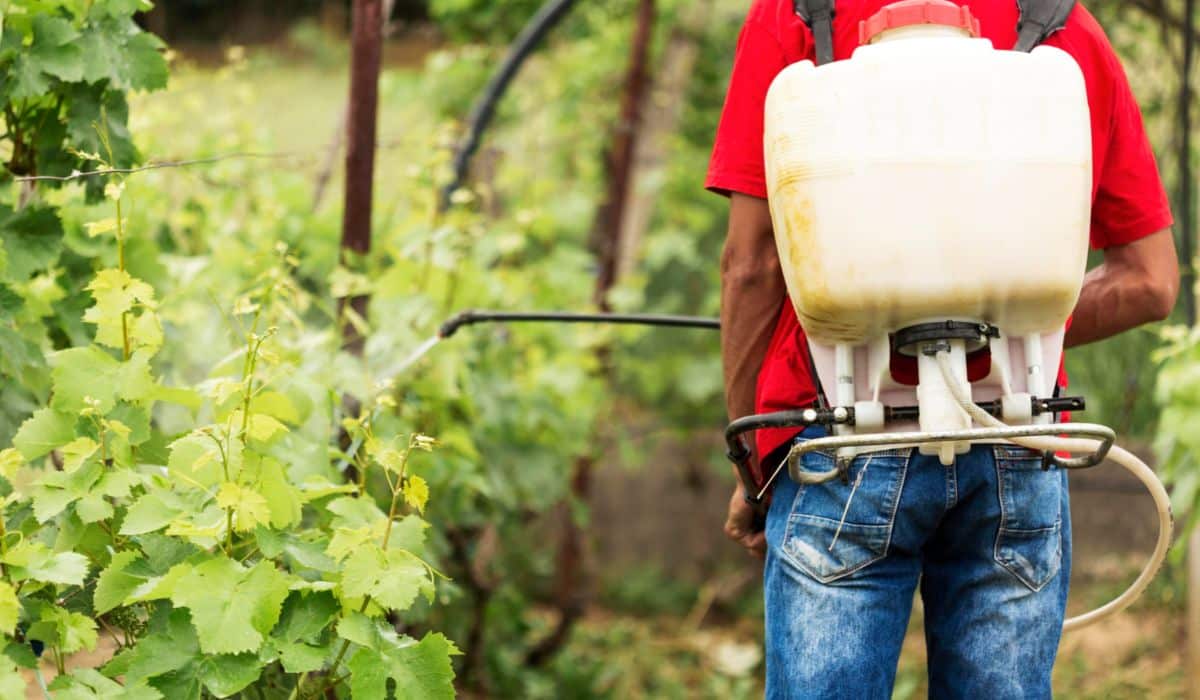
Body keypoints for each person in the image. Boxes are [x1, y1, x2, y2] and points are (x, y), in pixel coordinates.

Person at [707, 0, 1180, 697]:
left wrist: (751, 461)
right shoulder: (1059, 23)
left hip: (838, 441)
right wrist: (995, 324)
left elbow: (753, 266)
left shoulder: (799, 17)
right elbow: (1151, 281)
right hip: (1017, 435)